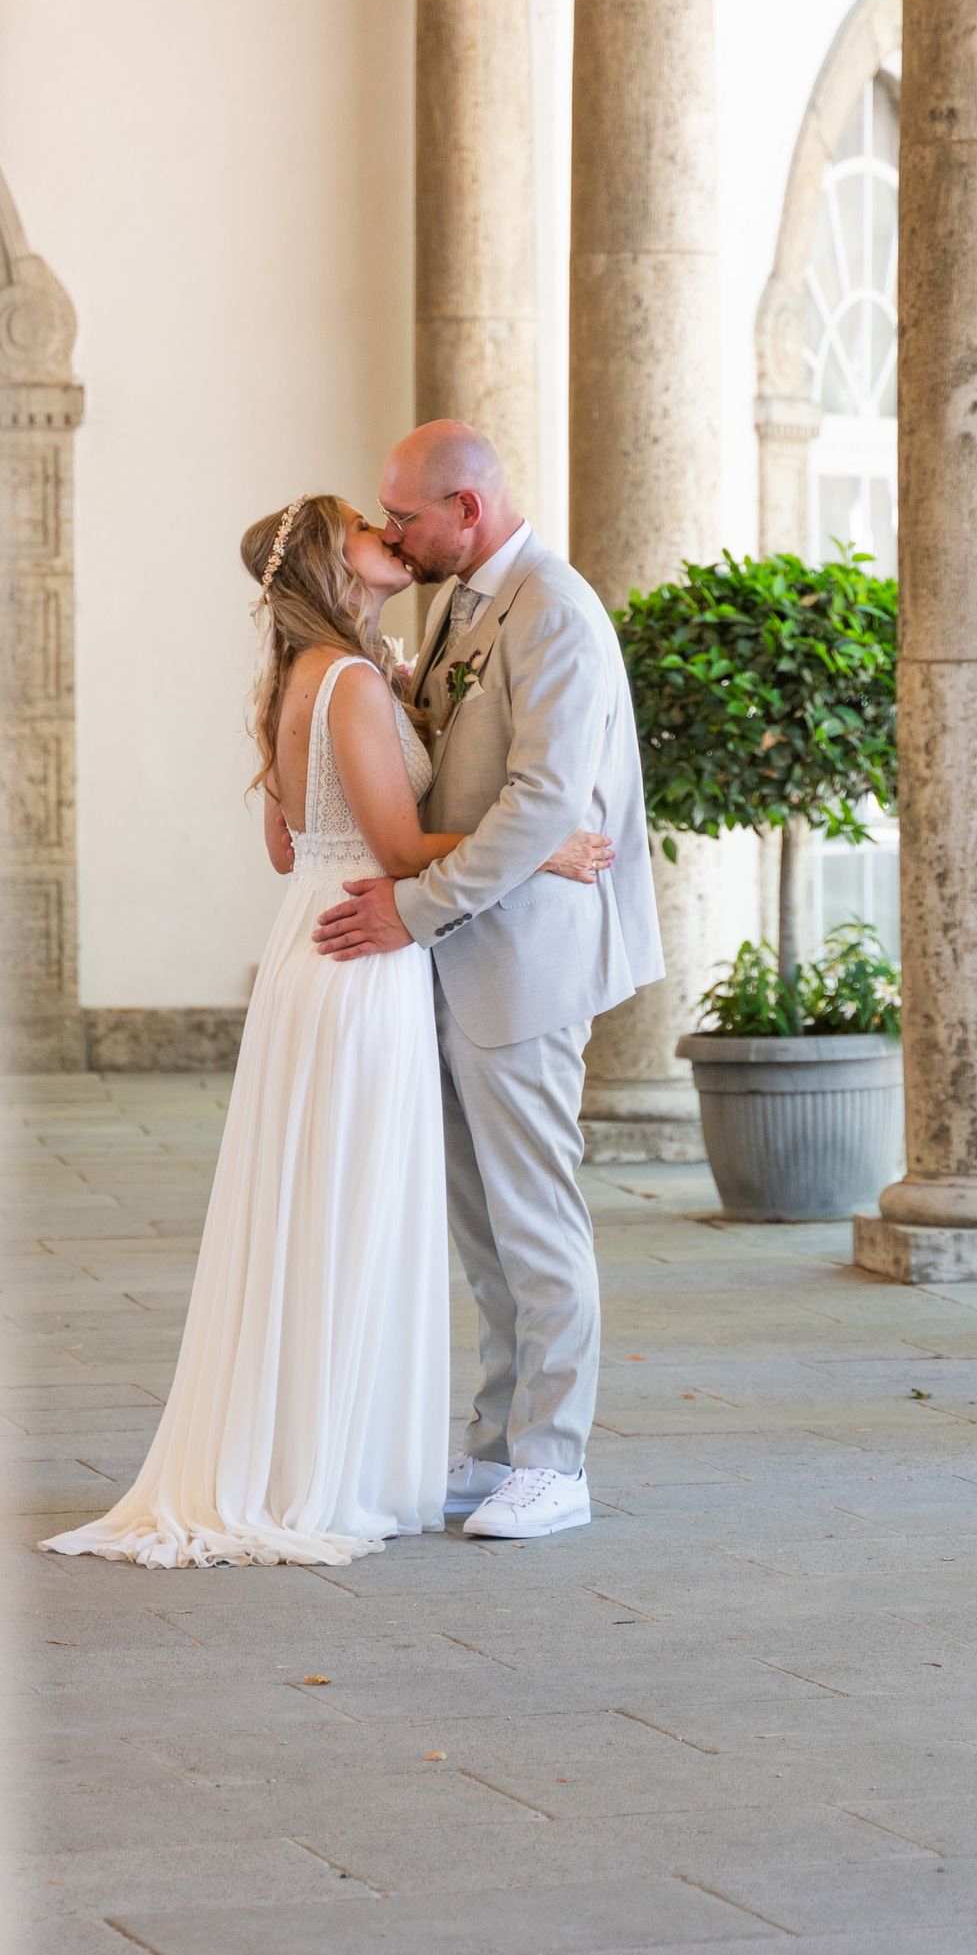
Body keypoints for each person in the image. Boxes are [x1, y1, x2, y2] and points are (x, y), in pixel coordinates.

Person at [39, 492, 612, 1568]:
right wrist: (540, 848)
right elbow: (396, 850)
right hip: (367, 955)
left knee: (316, 1213)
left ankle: (314, 1450)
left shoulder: (299, 681)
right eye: (367, 527)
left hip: (315, 940)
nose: (389, 537)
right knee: (355, 1216)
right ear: (329, 561)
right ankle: (332, 1465)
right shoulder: (346, 681)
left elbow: (285, 844)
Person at [314, 422, 662, 1542]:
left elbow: (545, 801)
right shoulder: (460, 603)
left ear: (468, 508)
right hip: (461, 957)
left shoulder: (555, 611)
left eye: (406, 516)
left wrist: (411, 911)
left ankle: (557, 1463)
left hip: (524, 959)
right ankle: (497, 1443)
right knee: (480, 1224)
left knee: (535, 1215)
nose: (396, 535)